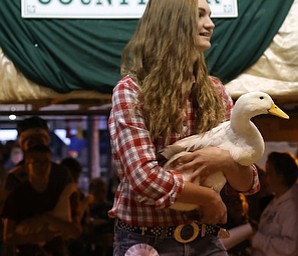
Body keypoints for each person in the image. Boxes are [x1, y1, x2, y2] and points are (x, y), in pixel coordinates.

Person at [108, 0, 260, 255]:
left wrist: (223, 160)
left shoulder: (216, 92)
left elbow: (249, 182)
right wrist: (208, 197)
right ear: (172, 21)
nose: (210, 24)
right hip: (146, 243)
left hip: (206, 241)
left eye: (210, 15)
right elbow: (144, 178)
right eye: (200, 15)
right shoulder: (132, 91)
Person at [1, 145, 82, 256]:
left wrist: (46, 217)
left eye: (46, 162)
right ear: (27, 166)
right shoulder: (17, 196)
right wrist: (38, 236)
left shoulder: (59, 193)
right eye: (37, 163)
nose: (42, 167)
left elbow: (75, 231)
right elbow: (8, 237)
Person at [251, 151, 298, 256]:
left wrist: (256, 238)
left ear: (281, 175)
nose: (265, 178)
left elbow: (290, 248)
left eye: (269, 173)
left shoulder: (292, 207)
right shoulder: (277, 200)